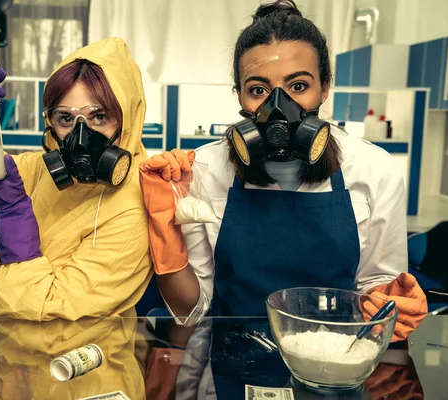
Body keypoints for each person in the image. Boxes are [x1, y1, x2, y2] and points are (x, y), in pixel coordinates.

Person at [138, 1, 428, 398]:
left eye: (297, 86)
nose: (279, 108)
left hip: (336, 369)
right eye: (259, 90)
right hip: (228, 371)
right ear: (239, 95)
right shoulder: (206, 169)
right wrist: (166, 236)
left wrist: (391, 302)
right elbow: (191, 310)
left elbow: (378, 289)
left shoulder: (373, 170)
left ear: (324, 87)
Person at [0, 37, 151, 399]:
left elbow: (48, 323)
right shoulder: (38, 173)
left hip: (83, 381)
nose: (80, 135)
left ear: (127, 119)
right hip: (6, 371)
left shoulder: (137, 202)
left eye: (99, 116)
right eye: (66, 118)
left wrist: (14, 214)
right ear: (50, 122)